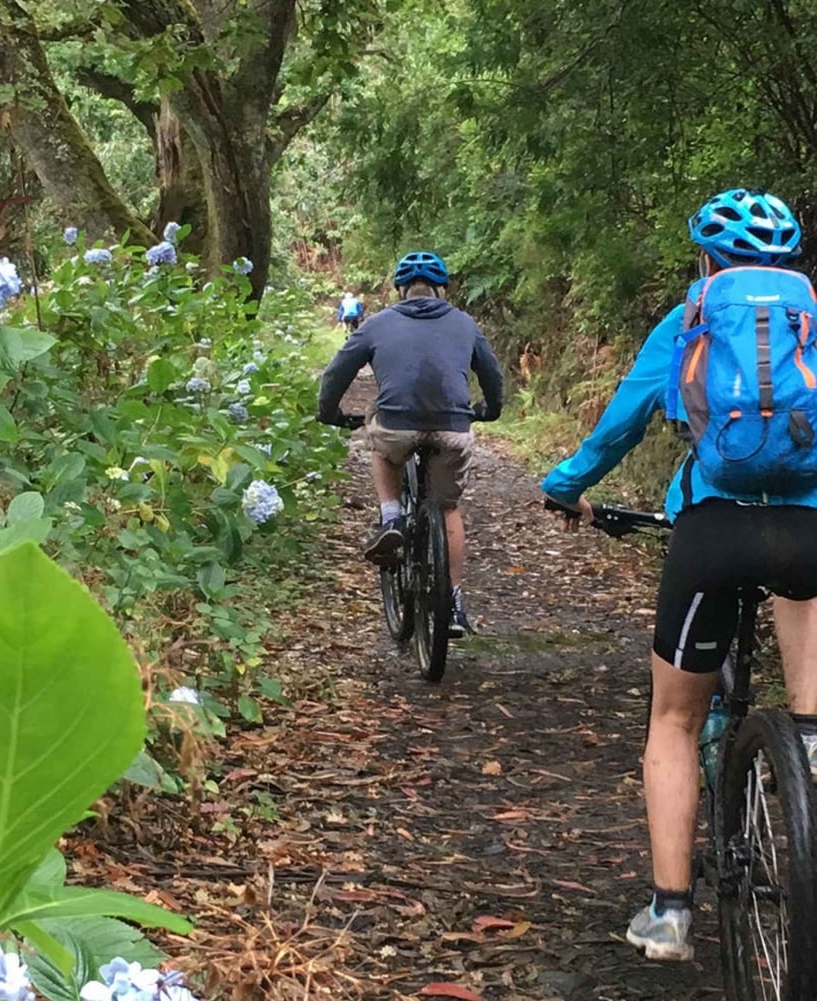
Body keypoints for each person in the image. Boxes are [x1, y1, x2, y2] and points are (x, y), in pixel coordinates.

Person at [541, 187, 817, 963]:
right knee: (810, 672)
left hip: (712, 533)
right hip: (809, 532)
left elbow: (620, 424)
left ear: (707, 258)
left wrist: (565, 485)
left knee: (672, 721)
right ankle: (808, 745)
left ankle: (669, 914)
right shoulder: (811, 320)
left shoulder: (691, 317)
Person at [318, 251, 505, 636]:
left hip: (397, 426)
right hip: (452, 427)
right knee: (447, 507)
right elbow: (492, 375)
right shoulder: (465, 323)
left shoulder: (377, 324)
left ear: (400, 290)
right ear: (442, 289)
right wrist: (489, 410)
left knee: (382, 444)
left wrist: (329, 413)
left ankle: (391, 518)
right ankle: (454, 604)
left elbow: (336, 373)